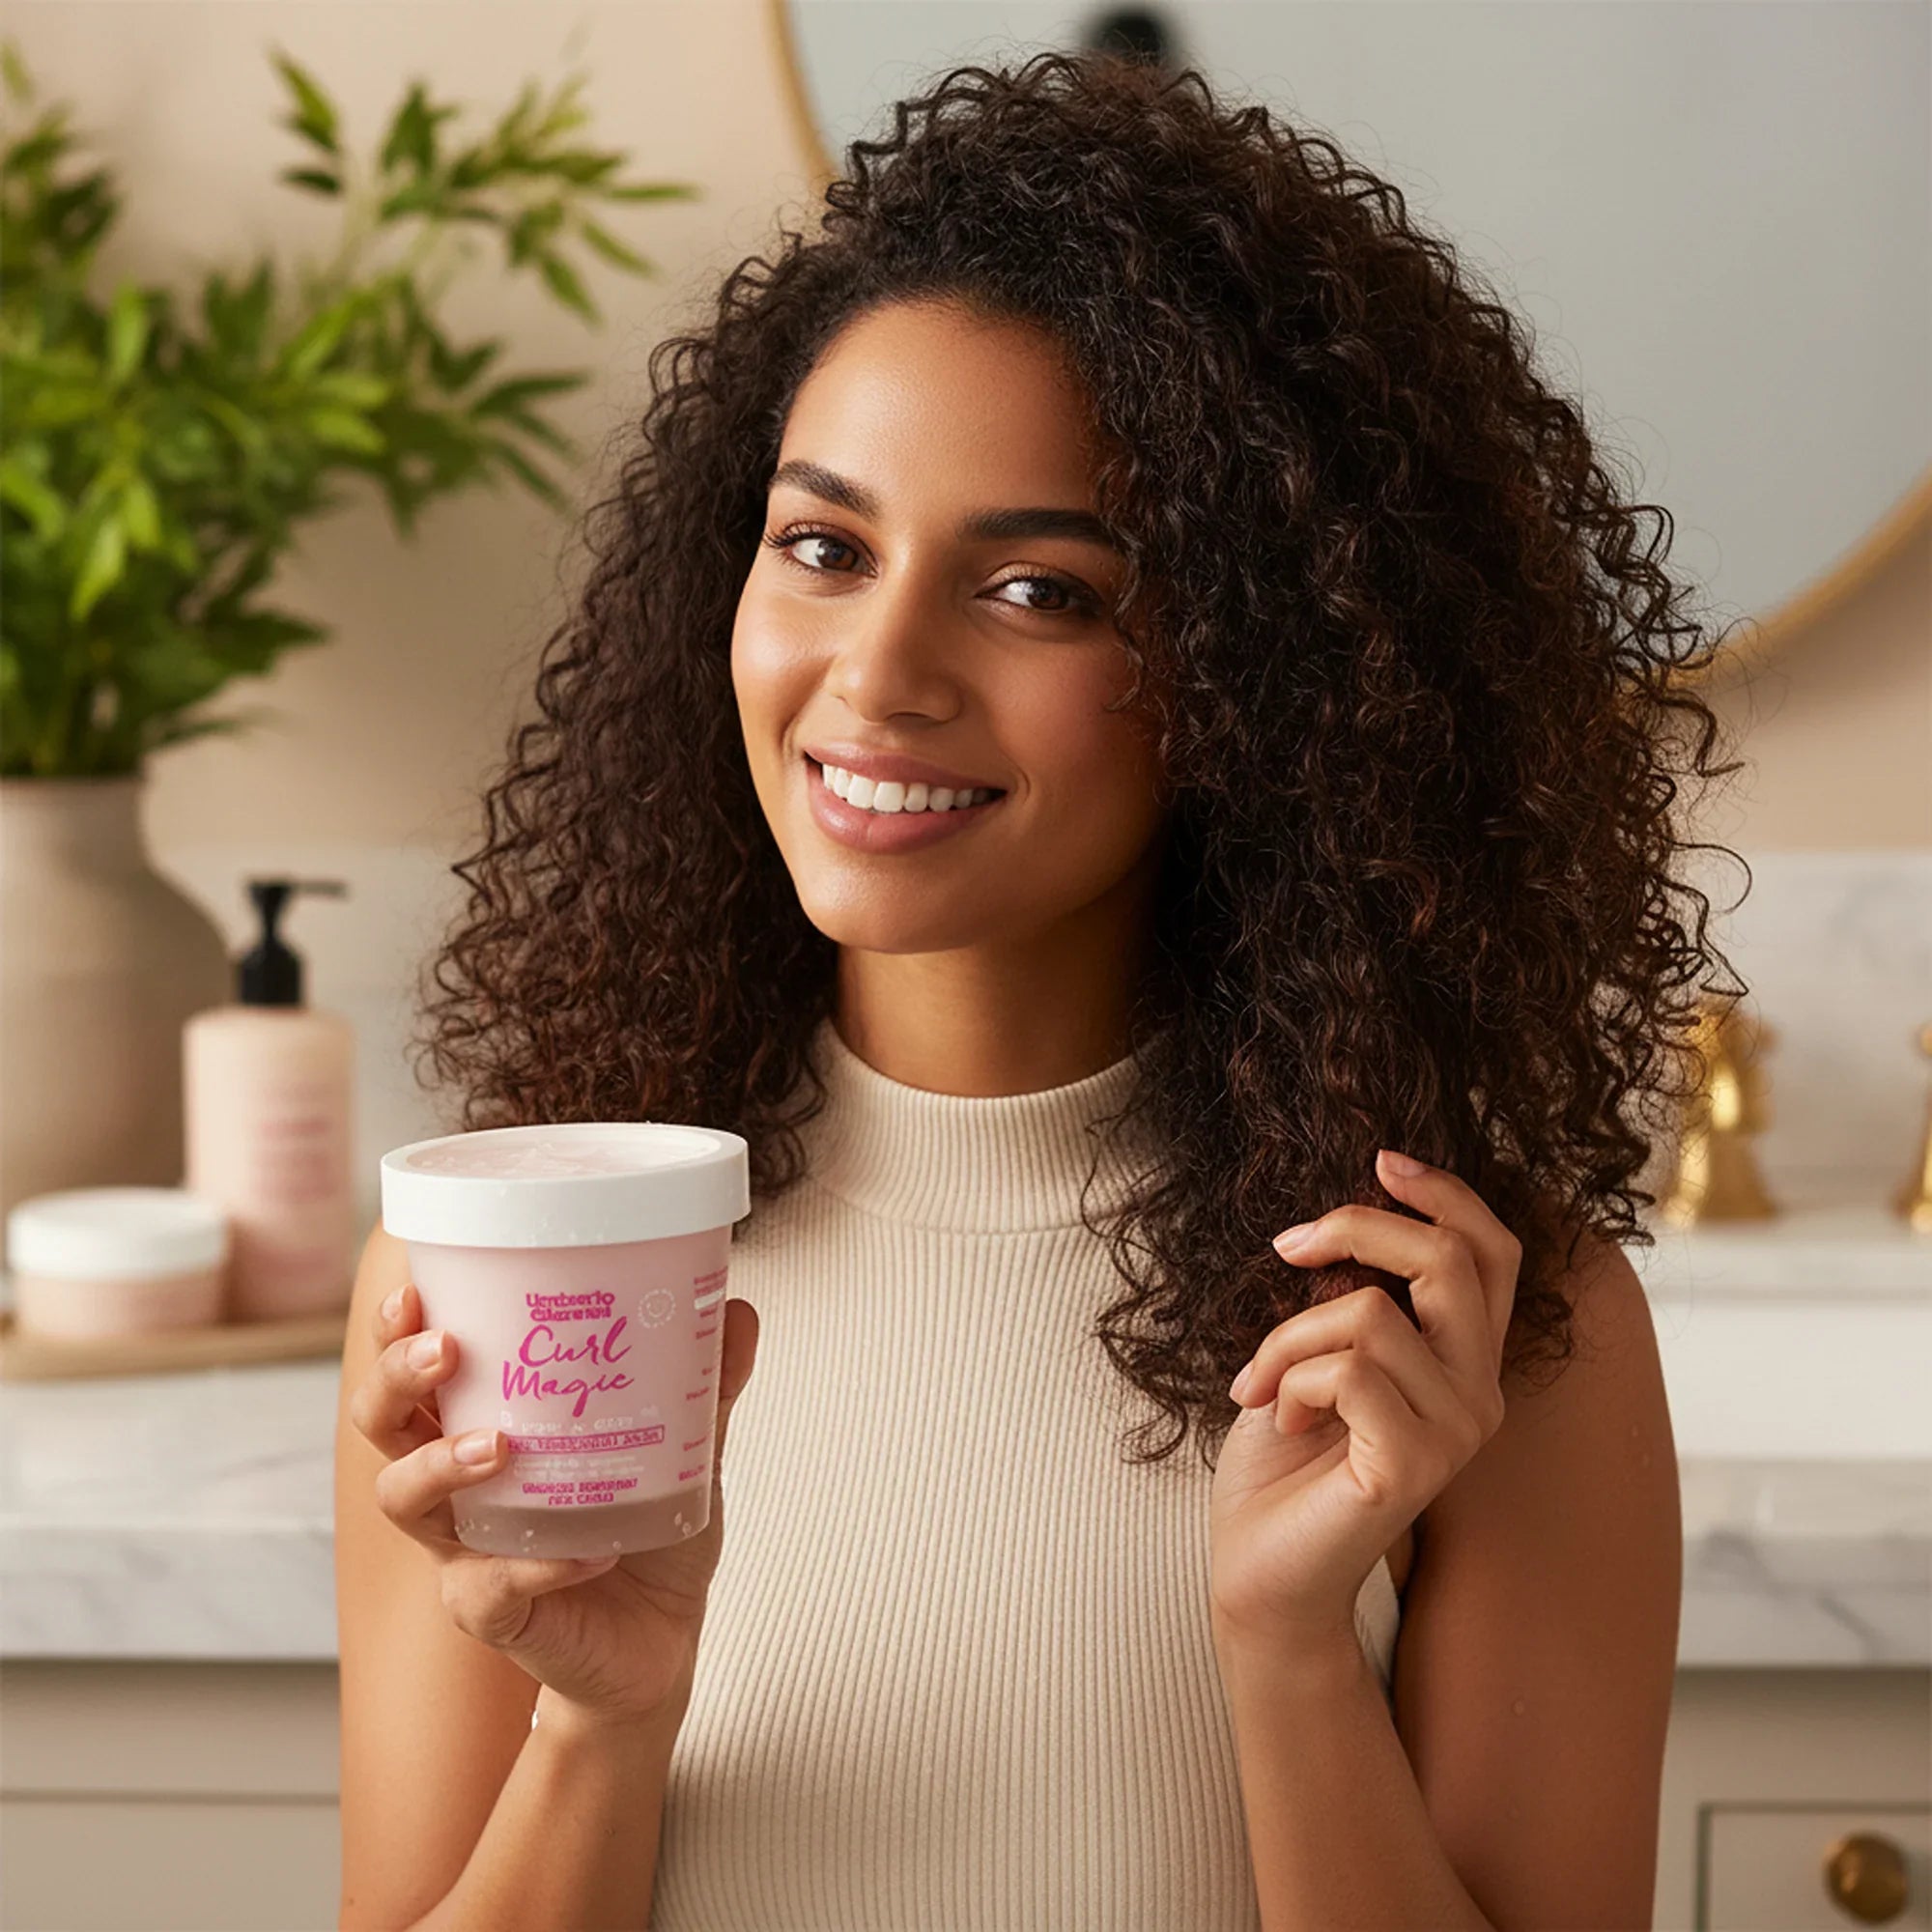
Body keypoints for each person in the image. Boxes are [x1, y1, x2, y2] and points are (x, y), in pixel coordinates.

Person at [335, 49, 1733, 1932]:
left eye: (1042, 592)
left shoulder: (1479, 1332)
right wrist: (604, 1723)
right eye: (823, 546)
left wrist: (1288, 1651)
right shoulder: (527, 1284)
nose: (878, 673)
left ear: (1258, 677)